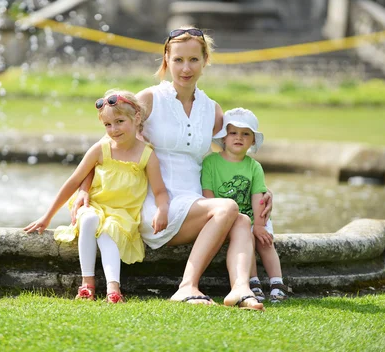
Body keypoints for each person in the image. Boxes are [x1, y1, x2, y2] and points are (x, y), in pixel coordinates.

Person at [73, 27, 273, 310]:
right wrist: (84, 189)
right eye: (178, 60)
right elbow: (107, 147)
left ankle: (240, 290)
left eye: (193, 59)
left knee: (240, 219)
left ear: (205, 61)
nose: (186, 68)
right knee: (228, 208)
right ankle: (187, 287)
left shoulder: (213, 110)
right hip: (156, 208)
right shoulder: (150, 99)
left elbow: (233, 155)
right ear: (166, 60)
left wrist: (260, 187)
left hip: (195, 205)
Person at [24, 90, 169, 304]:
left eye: (119, 122)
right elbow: (73, 181)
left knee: (108, 231)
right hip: (94, 205)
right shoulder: (101, 149)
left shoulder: (147, 155)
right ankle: (87, 284)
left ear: (136, 117)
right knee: (90, 219)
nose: (113, 129)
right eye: (108, 125)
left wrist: (162, 209)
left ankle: (113, 289)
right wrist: (47, 216)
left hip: (122, 214)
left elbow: (160, 192)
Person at [201, 107, 288, 303]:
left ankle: (277, 283)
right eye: (233, 133)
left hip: (255, 215)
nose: (238, 137)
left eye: (245, 134)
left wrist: (259, 225)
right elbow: (209, 197)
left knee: (265, 242)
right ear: (223, 137)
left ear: (252, 140)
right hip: (228, 217)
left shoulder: (253, 166)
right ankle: (253, 282)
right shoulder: (210, 163)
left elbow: (259, 197)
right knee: (245, 238)